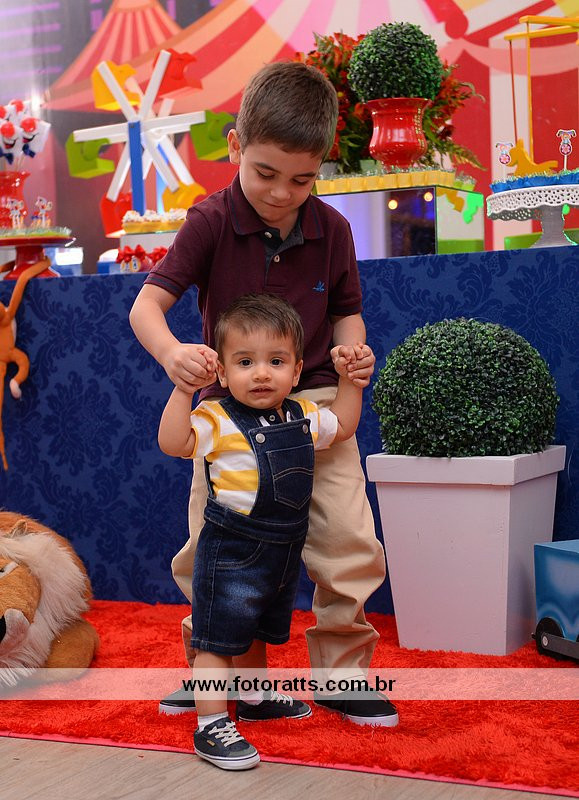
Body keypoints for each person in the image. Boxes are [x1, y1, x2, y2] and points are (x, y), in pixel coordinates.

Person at [129, 60, 398, 728]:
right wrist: (173, 355)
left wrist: (352, 354)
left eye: (302, 180)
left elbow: (347, 313)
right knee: (213, 547)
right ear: (235, 148)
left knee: (347, 541)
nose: (282, 194)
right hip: (227, 417)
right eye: (265, 173)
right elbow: (146, 307)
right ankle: (214, 673)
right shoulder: (210, 221)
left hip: (315, 406)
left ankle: (342, 675)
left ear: (321, 167)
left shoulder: (333, 229)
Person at [158, 293, 370, 770]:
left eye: (276, 362)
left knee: (254, 629)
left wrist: (349, 380)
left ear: (296, 372)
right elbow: (173, 443)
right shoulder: (216, 418)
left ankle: (253, 697)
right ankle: (210, 723)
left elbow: (344, 425)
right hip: (231, 549)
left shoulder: (303, 414)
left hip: (281, 550)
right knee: (216, 639)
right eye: (245, 362)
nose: (260, 374)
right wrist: (182, 391)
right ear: (221, 372)